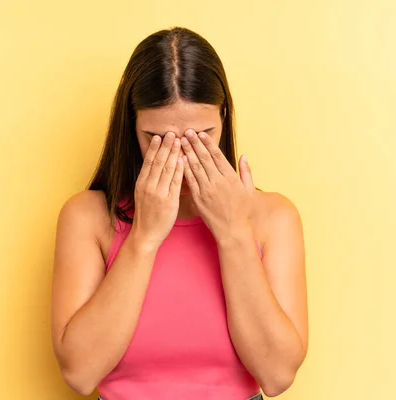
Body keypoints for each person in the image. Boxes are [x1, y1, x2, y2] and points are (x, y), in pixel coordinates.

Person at [50, 27, 308, 400]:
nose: (182, 160)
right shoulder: (87, 218)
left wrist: (234, 233)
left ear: (223, 116)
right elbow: (80, 373)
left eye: (202, 136)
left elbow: (277, 375)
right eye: (157, 140)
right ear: (131, 125)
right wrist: (143, 238)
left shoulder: (273, 218)